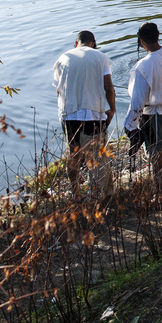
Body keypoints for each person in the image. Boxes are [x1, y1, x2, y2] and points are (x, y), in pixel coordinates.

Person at [123, 22, 162, 204]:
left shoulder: (143, 66)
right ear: (159, 34)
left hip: (154, 114)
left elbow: (137, 101)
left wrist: (130, 125)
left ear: (141, 41)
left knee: (156, 156)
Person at [53, 30, 117, 197]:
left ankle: (76, 194)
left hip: (69, 115)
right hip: (92, 114)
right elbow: (109, 88)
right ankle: (96, 196)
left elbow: (58, 91)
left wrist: (63, 114)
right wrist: (112, 109)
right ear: (93, 43)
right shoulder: (100, 57)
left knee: (73, 156)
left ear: (76, 43)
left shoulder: (62, 58)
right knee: (95, 158)